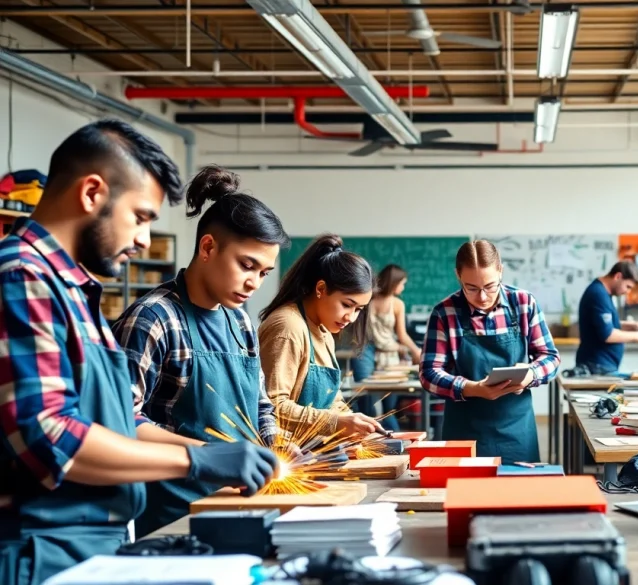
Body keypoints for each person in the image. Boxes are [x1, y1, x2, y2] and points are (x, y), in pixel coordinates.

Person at [0, 120, 277, 585]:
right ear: (92, 193)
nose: (146, 240)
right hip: (38, 549)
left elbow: (117, 422)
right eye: (142, 216)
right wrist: (199, 460)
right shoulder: (22, 277)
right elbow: (49, 436)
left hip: (88, 545)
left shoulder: (72, 290)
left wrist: (222, 454)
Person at [111, 165, 291, 537]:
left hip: (240, 504)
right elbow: (119, 422)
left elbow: (260, 409)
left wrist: (280, 449)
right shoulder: (153, 319)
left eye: (263, 272)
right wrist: (207, 457)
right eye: (247, 265)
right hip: (171, 518)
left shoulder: (239, 322)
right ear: (208, 247)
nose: (254, 282)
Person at [419, 240, 560, 464]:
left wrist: (530, 374)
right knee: (465, 496)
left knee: (518, 495)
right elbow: (429, 373)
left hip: (517, 431)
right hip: (464, 433)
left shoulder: (523, 304)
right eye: (472, 288)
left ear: (500, 271)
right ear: (458, 276)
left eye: (490, 286)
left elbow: (550, 357)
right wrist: (471, 388)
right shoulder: (445, 313)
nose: (482, 296)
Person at [257, 234, 384, 442]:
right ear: (321, 289)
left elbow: (332, 401)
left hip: (313, 448)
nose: (351, 317)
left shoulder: (324, 330)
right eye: (346, 305)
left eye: (359, 309)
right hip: (286, 454)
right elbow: (271, 407)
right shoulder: (288, 327)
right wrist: (336, 422)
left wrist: (353, 422)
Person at [351, 264, 423, 431]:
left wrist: (415, 351)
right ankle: (397, 442)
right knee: (368, 403)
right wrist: (415, 351)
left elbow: (402, 335)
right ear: (394, 282)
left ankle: (395, 442)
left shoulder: (397, 304)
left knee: (388, 409)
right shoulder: (367, 300)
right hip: (366, 352)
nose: (403, 287)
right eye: (402, 283)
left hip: (390, 356)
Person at [575, 261, 638, 376]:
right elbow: (607, 334)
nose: (627, 292)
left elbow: (603, 325)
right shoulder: (598, 294)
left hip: (601, 366)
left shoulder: (603, 293)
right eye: (628, 286)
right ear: (618, 276)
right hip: (596, 366)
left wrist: (632, 326)